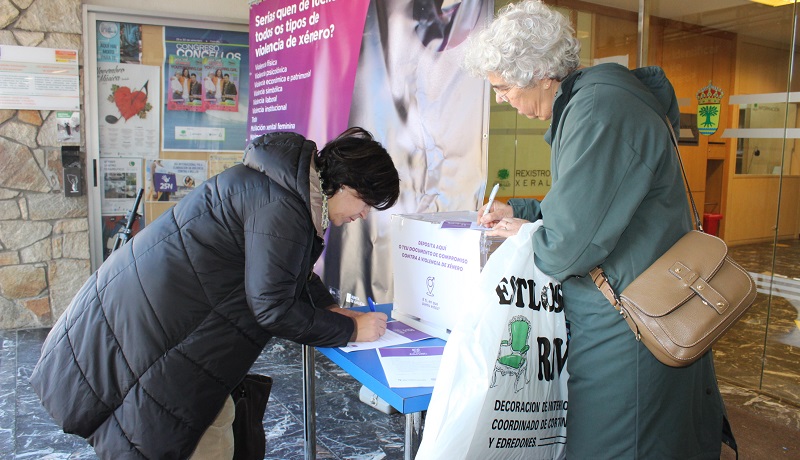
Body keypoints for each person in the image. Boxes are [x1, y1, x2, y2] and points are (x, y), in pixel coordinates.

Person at [30, 127, 400, 459]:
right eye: (366, 203)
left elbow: (287, 271)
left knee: (202, 422)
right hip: (156, 338)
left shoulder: (279, 189)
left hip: (140, 322)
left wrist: (331, 309)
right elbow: (272, 308)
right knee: (204, 435)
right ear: (346, 185)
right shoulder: (284, 207)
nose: (364, 215)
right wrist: (351, 331)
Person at [465, 1, 728, 458]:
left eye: (503, 87)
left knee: (619, 444)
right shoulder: (596, 99)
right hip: (641, 305)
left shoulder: (597, 110)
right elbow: (599, 202)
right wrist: (522, 208)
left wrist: (528, 234)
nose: (501, 98)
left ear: (540, 73)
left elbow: (566, 248)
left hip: (629, 326)